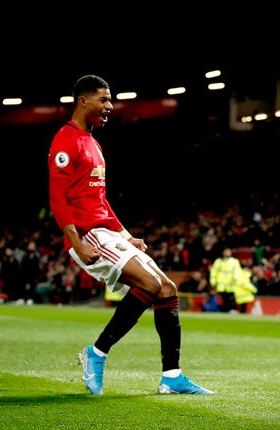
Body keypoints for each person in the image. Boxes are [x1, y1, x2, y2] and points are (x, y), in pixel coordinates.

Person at [47, 74, 212, 396]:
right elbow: (57, 198)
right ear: (83, 101)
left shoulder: (93, 143)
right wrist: (78, 244)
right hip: (88, 234)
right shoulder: (65, 141)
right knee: (150, 285)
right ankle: (96, 353)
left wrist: (125, 235)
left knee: (167, 289)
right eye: (104, 99)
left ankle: (172, 375)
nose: (110, 106)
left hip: (106, 232)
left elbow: (100, 200)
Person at [209, 247, 241, 313]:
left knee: (231, 298)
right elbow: (213, 272)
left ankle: (232, 309)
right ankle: (224, 310)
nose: (227, 253)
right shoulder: (218, 261)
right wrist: (213, 281)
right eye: (226, 251)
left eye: (228, 251)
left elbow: (238, 270)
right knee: (223, 298)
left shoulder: (234, 261)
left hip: (231, 284)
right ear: (223, 253)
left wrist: (236, 277)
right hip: (221, 285)